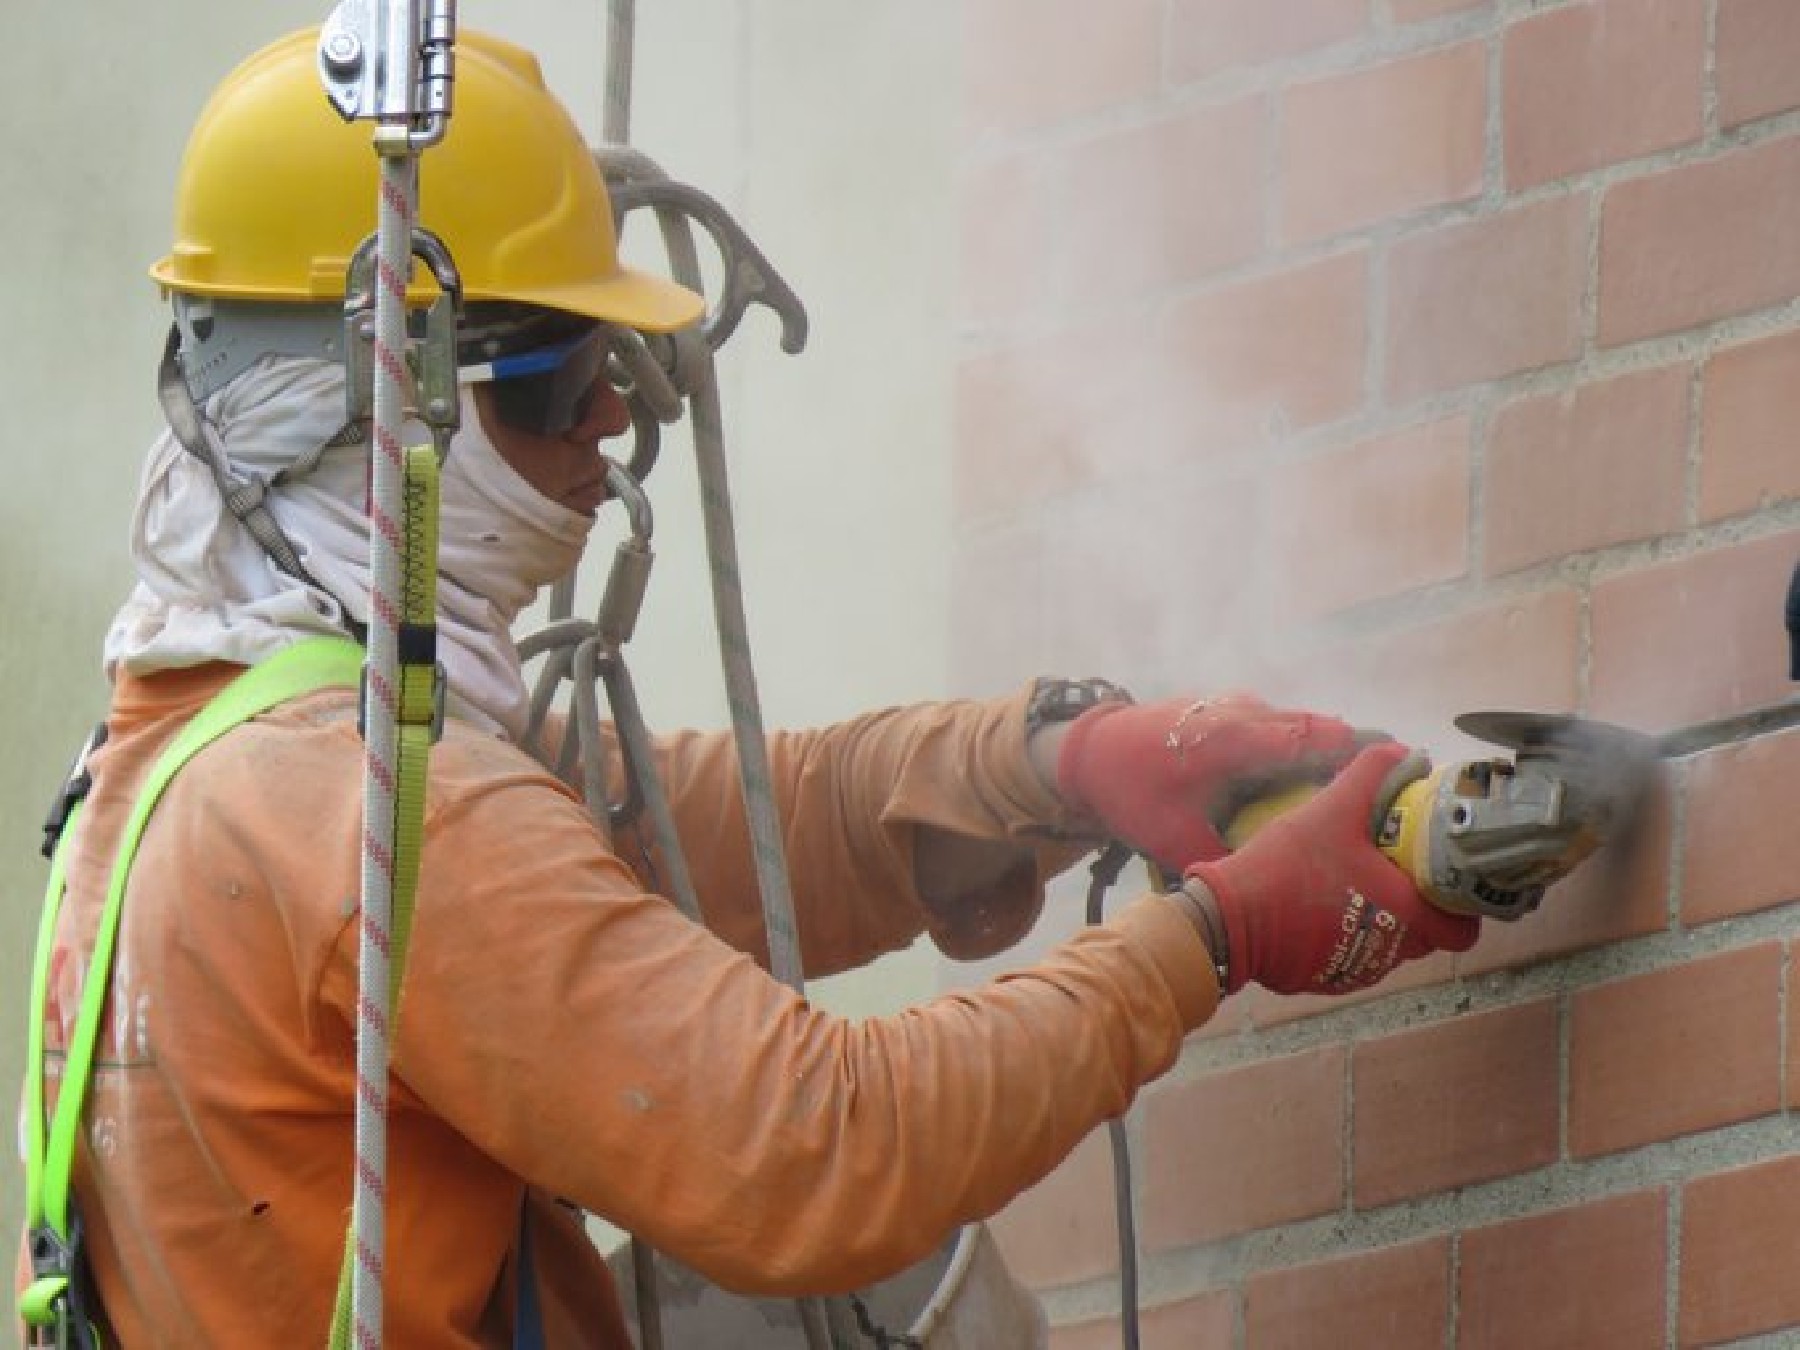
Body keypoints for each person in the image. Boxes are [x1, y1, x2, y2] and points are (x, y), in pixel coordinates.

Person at [16, 25, 1479, 1348]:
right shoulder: (377, 814)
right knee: (872, 1298)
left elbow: (699, 832)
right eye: (555, 374)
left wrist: (1053, 763)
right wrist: (1215, 937)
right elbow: (823, 1152)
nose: (609, 415)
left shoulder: (192, 764)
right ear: (381, 409)